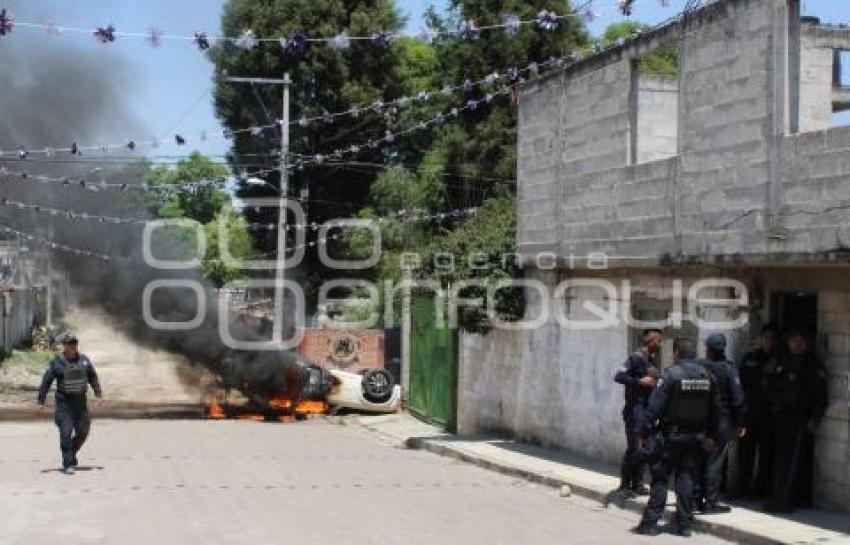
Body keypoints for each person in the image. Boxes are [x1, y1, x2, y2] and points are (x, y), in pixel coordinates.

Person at [632, 338, 722, 537]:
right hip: (696, 437)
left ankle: (651, 523)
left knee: (660, 478)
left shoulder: (670, 375)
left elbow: (654, 408)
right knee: (687, 479)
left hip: (671, 437)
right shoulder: (707, 376)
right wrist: (712, 436)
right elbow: (716, 411)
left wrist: (643, 433)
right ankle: (685, 525)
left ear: (676, 353)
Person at [765, 330, 828, 512]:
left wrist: (815, 417)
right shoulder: (782, 360)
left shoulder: (812, 364)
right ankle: (780, 496)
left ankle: (784, 501)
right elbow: (769, 383)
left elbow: (820, 395)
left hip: (800, 418)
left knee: (791, 460)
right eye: (794, 340)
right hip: (780, 417)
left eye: (801, 340)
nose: (797, 344)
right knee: (780, 459)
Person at [694, 333, 746, 514]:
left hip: (699, 420)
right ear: (723, 349)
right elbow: (738, 399)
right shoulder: (728, 369)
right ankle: (711, 502)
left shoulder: (698, 366)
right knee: (715, 462)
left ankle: (695, 499)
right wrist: (740, 422)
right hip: (720, 421)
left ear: (707, 349)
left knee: (699, 460)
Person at [37, 333, 103, 474]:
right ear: (64, 346)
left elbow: (92, 377)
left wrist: (98, 394)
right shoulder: (57, 362)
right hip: (64, 405)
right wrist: (40, 401)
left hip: (80, 405)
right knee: (66, 432)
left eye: (75, 344)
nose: (73, 346)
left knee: (83, 432)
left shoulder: (84, 361)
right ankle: (67, 464)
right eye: (70, 344)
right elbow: (46, 381)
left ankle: (71, 453)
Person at [614, 329, 663, 497]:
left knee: (644, 448)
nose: (660, 344)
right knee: (634, 447)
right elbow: (619, 376)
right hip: (635, 409)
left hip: (646, 410)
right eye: (658, 341)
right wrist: (639, 381)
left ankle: (639, 484)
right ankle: (624, 485)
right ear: (651, 341)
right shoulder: (636, 357)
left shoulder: (652, 359)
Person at [735, 324, 779, 499]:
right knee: (744, 453)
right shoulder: (750, 357)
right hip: (749, 413)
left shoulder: (781, 360)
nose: (770, 342)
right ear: (761, 338)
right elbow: (741, 385)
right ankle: (741, 487)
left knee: (766, 454)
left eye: (773, 338)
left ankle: (760, 490)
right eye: (767, 337)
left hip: (769, 415)